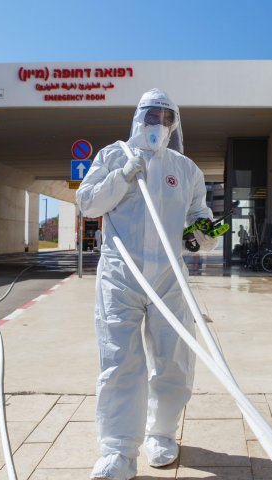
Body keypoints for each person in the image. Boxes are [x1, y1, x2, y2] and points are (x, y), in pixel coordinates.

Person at [76, 88, 217, 480]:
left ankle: (162, 432)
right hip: (121, 276)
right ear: (138, 117)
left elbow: (199, 215)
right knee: (120, 361)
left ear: (175, 124)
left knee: (173, 359)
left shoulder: (185, 169)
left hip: (170, 278)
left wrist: (204, 235)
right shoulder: (112, 156)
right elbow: (88, 203)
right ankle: (118, 450)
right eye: (151, 115)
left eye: (166, 117)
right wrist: (123, 176)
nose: (158, 124)